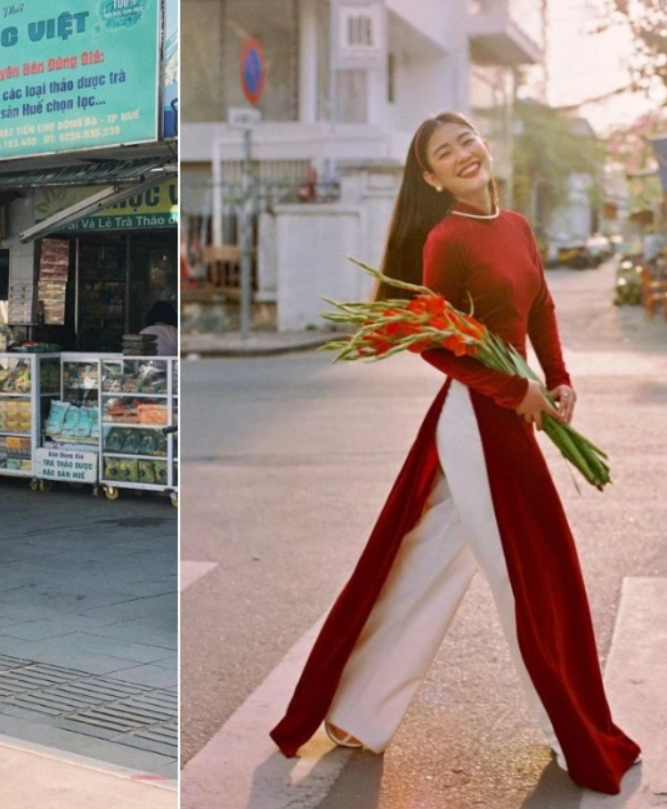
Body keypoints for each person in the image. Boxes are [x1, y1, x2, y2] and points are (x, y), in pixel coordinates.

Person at [269, 113, 642, 795]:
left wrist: (556, 378)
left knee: (419, 564)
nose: (464, 154)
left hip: (506, 416)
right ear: (432, 177)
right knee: (530, 576)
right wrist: (511, 388)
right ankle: (571, 731)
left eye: (467, 139)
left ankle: (354, 709)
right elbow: (429, 341)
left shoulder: (517, 226)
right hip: (481, 422)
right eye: (446, 152)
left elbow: (540, 311)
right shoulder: (446, 239)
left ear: (484, 145)